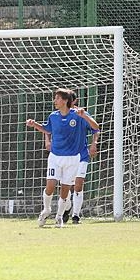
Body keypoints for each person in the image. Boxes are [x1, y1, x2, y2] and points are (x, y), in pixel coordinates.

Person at [25, 88, 99, 228]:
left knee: (65, 189)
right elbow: (47, 129)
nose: (55, 101)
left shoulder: (78, 115)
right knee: (51, 185)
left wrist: (85, 116)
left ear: (65, 101)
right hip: (55, 157)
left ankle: (59, 216)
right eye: (55, 98)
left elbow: (96, 127)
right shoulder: (53, 116)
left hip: (73, 158)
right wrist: (34, 125)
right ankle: (46, 210)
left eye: (58, 98)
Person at [49, 92, 99, 224]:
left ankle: (76, 215)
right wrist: (47, 140)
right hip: (64, 156)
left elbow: (95, 129)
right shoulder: (57, 115)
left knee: (78, 183)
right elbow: (49, 128)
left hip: (81, 155)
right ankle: (67, 207)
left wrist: (94, 144)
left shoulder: (81, 114)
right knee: (65, 185)